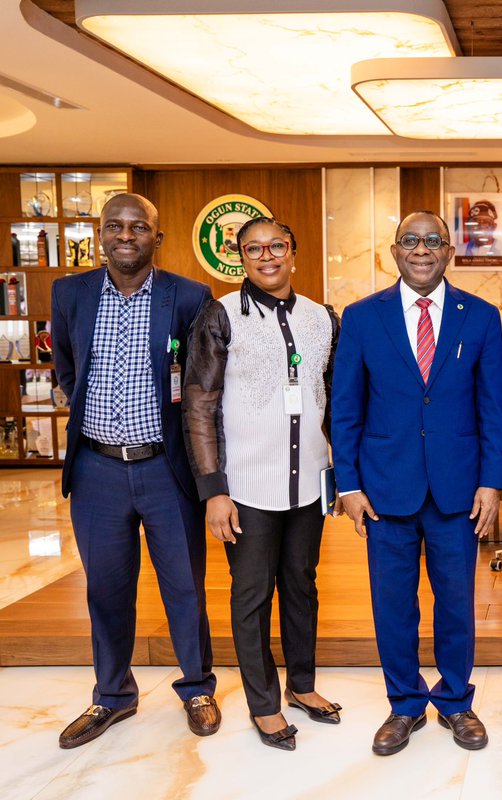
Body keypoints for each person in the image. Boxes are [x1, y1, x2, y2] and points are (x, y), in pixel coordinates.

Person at [331, 211, 502, 756]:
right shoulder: (362, 318)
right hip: (385, 491)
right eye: (412, 240)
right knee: (393, 604)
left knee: (456, 603)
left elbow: (492, 408)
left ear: (450, 251)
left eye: (434, 240)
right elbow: (345, 408)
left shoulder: (479, 316)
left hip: (458, 489)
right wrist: (349, 484)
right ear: (393, 251)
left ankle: (455, 700)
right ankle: (405, 704)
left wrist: (491, 482)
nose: (422, 249)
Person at [51, 193, 219, 748]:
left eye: (138, 227)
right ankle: (112, 696)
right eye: (115, 226)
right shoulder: (69, 293)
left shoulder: (189, 296)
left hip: (165, 468)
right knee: (106, 588)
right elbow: (68, 371)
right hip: (97, 469)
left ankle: (197, 686)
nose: (126, 236)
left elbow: (200, 385)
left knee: (184, 588)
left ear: (157, 237)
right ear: (101, 234)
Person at [184, 217, 341, 751]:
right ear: (241, 256)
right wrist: (214, 489)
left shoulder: (322, 318)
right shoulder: (221, 315)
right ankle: (264, 705)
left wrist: (343, 474)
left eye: (276, 245)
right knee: (252, 595)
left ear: (293, 251)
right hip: (246, 487)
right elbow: (200, 405)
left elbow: (333, 400)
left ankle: (302, 685)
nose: (266, 256)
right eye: (254, 249)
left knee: (302, 585)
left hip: (309, 485)